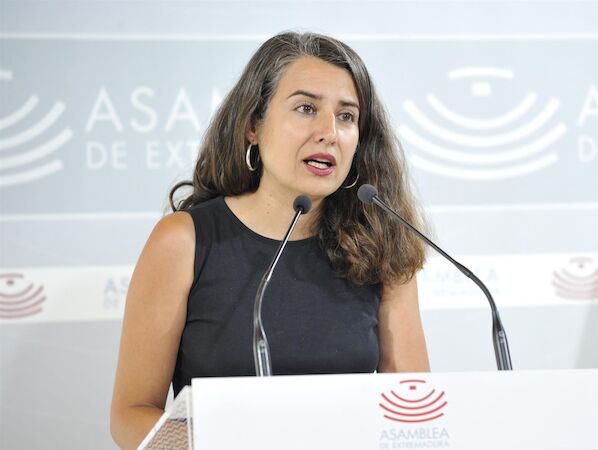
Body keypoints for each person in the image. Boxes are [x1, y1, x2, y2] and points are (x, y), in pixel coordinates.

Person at [110, 31, 430, 449]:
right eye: (306, 108)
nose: (329, 132)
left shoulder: (381, 246)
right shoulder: (184, 241)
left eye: (346, 116)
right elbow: (131, 414)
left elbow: (412, 415)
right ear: (253, 126)